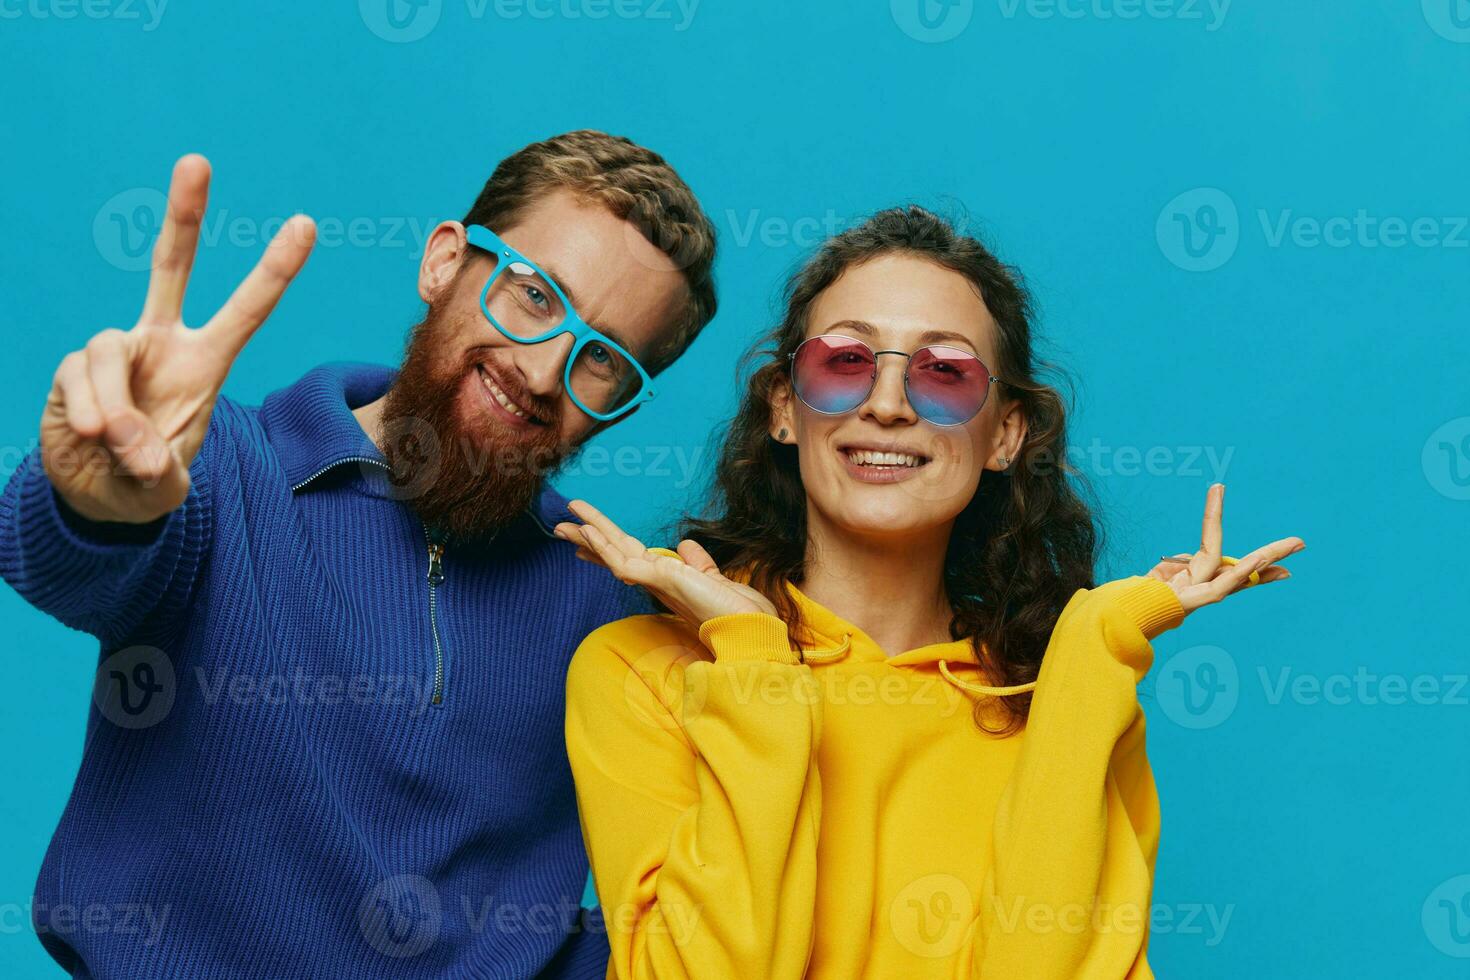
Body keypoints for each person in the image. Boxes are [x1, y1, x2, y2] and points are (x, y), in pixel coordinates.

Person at [0, 130, 717, 978]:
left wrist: (742, 676)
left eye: (602, 358)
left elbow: (650, 929)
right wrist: (94, 500)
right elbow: (66, 566)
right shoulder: (221, 470)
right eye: (532, 295)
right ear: (445, 262)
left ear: (623, 405)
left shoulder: (607, 606)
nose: (541, 369)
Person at [556, 206, 1304, 979]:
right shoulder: (644, 671)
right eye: (844, 361)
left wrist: (1094, 646)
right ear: (784, 407)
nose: (886, 404)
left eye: (944, 372)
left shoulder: (1066, 697)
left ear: (1006, 435)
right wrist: (753, 665)